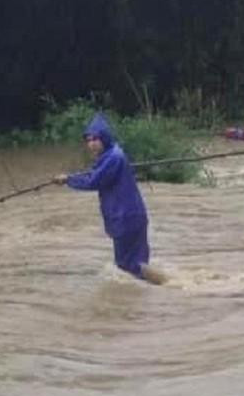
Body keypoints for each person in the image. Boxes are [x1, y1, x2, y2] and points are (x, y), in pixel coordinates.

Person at [53, 113, 166, 285]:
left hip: (125, 219)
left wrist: (68, 180)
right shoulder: (112, 155)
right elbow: (97, 174)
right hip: (132, 216)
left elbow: (93, 181)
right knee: (138, 266)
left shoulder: (113, 158)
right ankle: (158, 290)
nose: (91, 144)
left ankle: (153, 293)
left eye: (95, 139)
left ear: (105, 138)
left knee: (126, 270)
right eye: (88, 140)